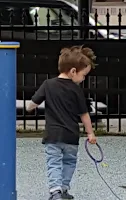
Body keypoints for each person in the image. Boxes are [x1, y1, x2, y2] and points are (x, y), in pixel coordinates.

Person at [26, 45, 98, 200]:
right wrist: (90, 132)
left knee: (54, 163)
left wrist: (29, 108)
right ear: (73, 71)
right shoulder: (76, 90)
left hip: (52, 135)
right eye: (83, 75)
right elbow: (84, 114)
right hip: (71, 135)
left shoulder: (48, 84)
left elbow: (32, 104)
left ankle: (55, 191)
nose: (83, 79)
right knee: (69, 163)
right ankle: (64, 189)